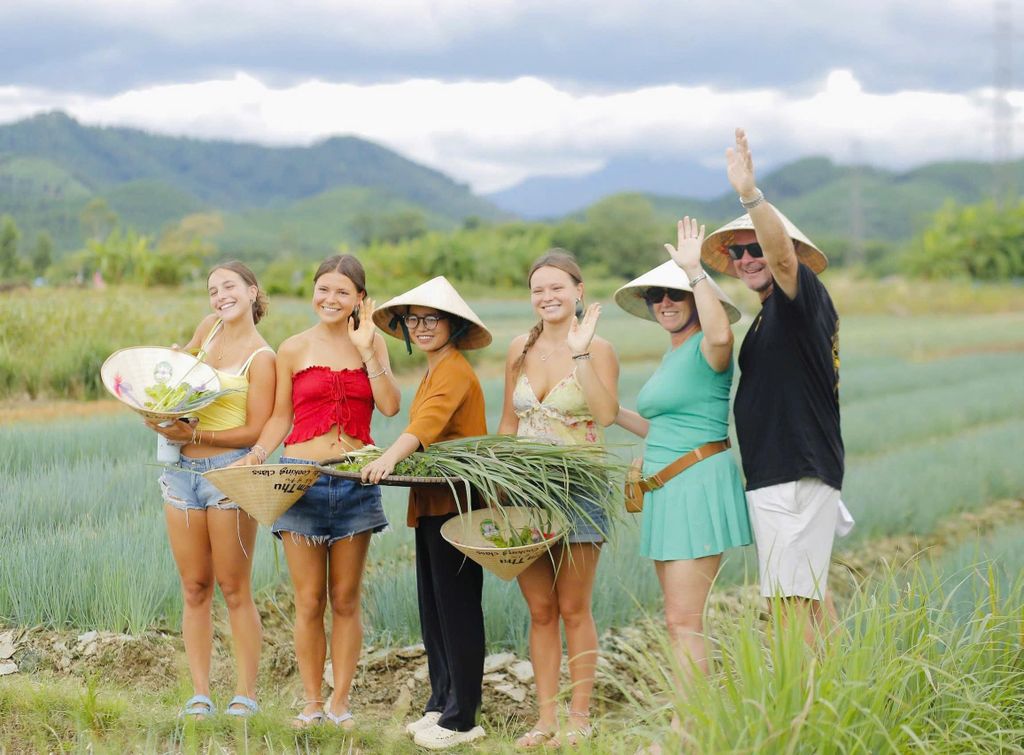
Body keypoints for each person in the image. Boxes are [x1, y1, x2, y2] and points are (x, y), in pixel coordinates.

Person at [237, 254, 400, 727]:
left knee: (346, 598)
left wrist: (368, 349)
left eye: (342, 292)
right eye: (323, 289)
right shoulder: (292, 348)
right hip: (301, 483)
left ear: (360, 300)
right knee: (309, 600)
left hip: (355, 483)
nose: (330, 299)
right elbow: (281, 418)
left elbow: (389, 407)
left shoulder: (373, 346)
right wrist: (259, 454)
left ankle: (340, 703)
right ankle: (311, 702)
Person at [700, 128, 845, 644]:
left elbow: (782, 260)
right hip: (782, 472)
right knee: (811, 597)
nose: (746, 258)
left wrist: (749, 195)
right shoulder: (767, 318)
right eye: (737, 252)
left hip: (794, 470)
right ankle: (852, 696)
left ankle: (803, 715)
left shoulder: (799, 298)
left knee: (789, 606)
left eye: (755, 246)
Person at [612, 222, 752, 743]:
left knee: (684, 618)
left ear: (696, 298)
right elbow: (664, 428)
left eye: (675, 294)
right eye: (657, 295)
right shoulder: (674, 355)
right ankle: (695, 719)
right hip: (667, 491)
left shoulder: (708, 348)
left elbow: (722, 334)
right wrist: (611, 409)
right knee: (677, 619)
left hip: (696, 487)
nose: (665, 302)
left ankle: (686, 729)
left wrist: (695, 271)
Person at [361, 276, 490, 751]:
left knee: (456, 608)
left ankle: (462, 718)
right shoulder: (436, 369)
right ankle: (441, 702)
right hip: (433, 502)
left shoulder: (454, 370)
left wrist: (388, 458)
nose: (422, 326)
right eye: (413, 320)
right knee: (434, 608)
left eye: (431, 318)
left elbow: (425, 425)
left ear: (453, 325)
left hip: (457, 505)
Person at [497, 250, 619, 749]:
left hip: (581, 490)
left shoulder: (600, 348)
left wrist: (582, 351)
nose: (547, 297)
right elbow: (509, 423)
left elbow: (606, 415)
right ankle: (545, 718)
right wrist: (497, 485)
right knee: (540, 608)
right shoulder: (517, 350)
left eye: (557, 288)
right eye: (538, 290)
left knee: (573, 606)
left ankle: (580, 714)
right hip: (526, 495)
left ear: (578, 292)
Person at [146, 260, 276, 718]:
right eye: (212, 289)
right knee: (195, 586)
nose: (220, 295)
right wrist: (164, 387)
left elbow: (255, 430)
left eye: (229, 286)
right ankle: (199, 694)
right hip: (180, 473)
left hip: (228, 476)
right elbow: (184, 388)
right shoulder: (209, 329)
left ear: (252, 291)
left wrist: (196, 437)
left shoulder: (263, 358)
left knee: (234, 587)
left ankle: (246, 695)